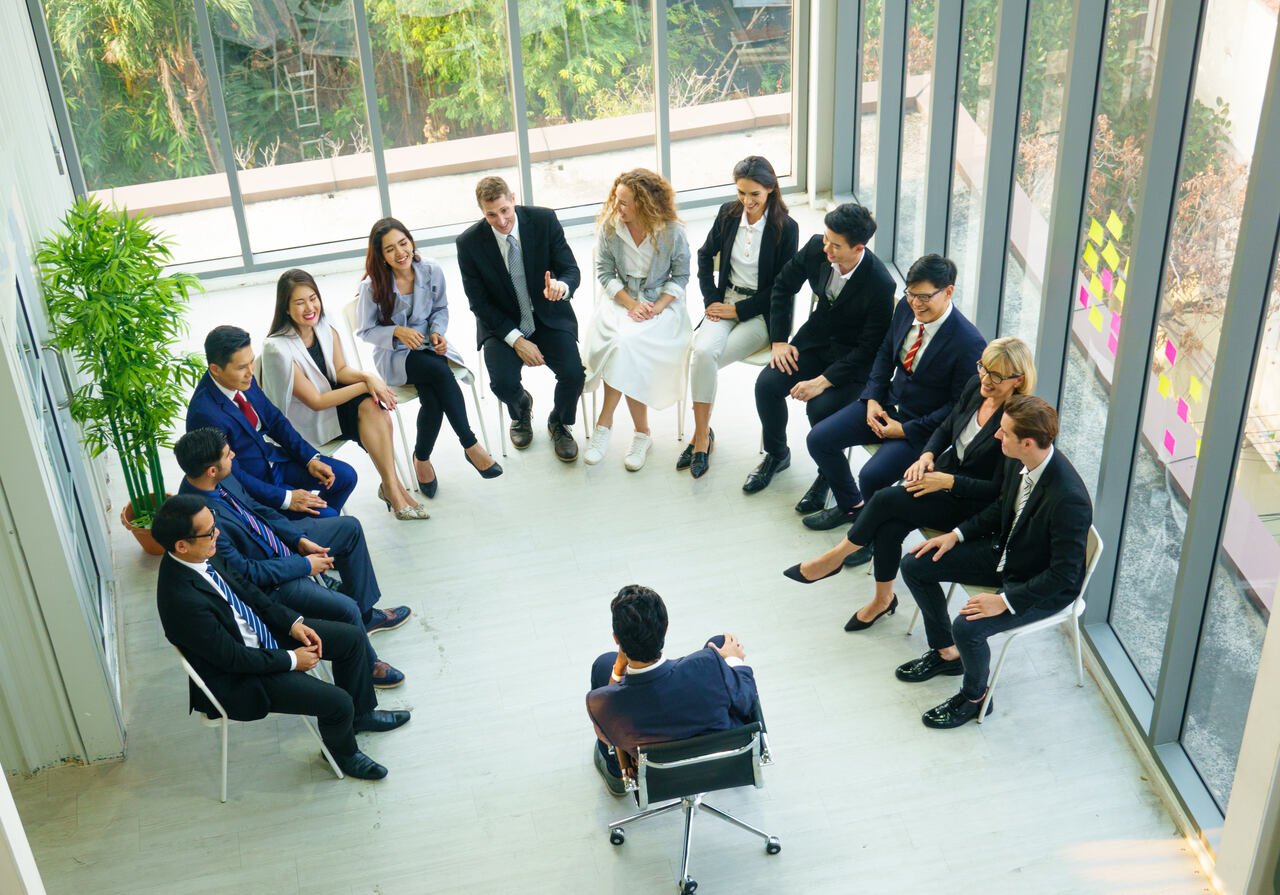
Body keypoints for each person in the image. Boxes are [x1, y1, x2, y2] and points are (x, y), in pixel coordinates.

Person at [783, 338, 1037, 630]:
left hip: (970, 502)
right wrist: (927, 455)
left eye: (996, 375)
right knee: (889, 528)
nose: (986, 379)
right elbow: (946, 428)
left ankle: (834, 558)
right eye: (983, 368)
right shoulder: (976, 388)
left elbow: (999, 493)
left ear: (1018, 380)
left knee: (884, 500)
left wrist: (948, 481)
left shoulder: (1017, 422)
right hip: (941, 477)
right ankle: (882, 600)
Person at [153, 495, 411, 780]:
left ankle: (361, 715)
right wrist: (292, 659)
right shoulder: (181, 600)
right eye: (210, 531)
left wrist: (292, 623)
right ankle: (342, 753)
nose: (218, 534)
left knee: (351, 638)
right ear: (181, 545)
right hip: (242, 676)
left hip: (259, 637)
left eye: (215, 525)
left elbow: (250, 593)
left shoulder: (203, 553)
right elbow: (233, 658)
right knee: (337, 702)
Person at [895, 395, 1092, 729]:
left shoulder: (1069, 498)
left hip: (1039, 584)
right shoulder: (1021, 462)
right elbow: (1001, 509)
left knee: (968, 627)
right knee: (915, 565)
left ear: (1027, 442)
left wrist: (1003, 601)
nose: (997, 436)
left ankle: (975, 698)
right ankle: (946, 654)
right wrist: (955, 535)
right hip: (1007, 552)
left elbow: (1064, 575)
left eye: (1003, 432)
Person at [175, 428, 410, 687]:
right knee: (345, 607)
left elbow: (259, 510)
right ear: (211, 470)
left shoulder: (222, 479)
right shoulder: (200, 520)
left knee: (349, 528)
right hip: (272, 582)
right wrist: (304, 565)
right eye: (226, 454)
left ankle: (366, 618)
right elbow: (247, 573)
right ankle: (367, 666)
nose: (233, 454)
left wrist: (297, 540)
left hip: (279, 542)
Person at [799, 254, 987, 531]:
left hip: (919, 428)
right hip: (884, 404)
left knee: (871, 476)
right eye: (910, 294)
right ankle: (852, 507)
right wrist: (873, 397)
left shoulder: (968, 342)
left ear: (948, 292)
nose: (915, 303)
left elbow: (958, 407)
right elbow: (886, 352)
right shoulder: (905, 309)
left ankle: (870, 534)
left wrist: (906, 430)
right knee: (819, 440)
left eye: (924, 297)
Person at [742, 203, 895, 497]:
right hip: (815, 342)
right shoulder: (816, 247)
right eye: (826, 239)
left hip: (851, 362)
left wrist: (822, 382)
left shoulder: (880, 285)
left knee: (821, 408)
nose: (827, 249)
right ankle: (776, 454)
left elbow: (868, 349)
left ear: (859, 248)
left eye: (835, 245)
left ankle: (827, 475)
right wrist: (779, 340)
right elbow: (783, 286)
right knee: (768, 385)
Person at [260, 269, 427, 521]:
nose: (310, 306)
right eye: (300, 301)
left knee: (375, 407)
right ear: (285, 307)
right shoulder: (277, 349)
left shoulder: (325, 326)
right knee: (369, 398)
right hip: (306, 423)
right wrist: (365, 385)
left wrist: (369, 377)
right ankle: (394, 488)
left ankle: (391, 486)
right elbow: (315, 402)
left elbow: (339, 371)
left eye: (313, 297)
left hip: (332, 406)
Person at [356, 217, 502, 496]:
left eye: (403, 243)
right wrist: (397, 332)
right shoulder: (372, 287)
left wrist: (437, 333)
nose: (400, 253)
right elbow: (365, 331)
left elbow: (440, 309)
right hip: (395, 356)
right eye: (390, 249)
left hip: (429, 347)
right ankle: (471, 445)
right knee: (439, 372)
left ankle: (421, 459)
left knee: (434, 401)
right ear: (381, 256)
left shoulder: (431, 270)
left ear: (411, 241)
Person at [683, 156, 799, 478]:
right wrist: (712, 300)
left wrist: (739, 310)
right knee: (703, 353)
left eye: (754, 195)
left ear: (771, 191)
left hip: (761, 315)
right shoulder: (728, 213)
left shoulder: (786, 229)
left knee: (706, 359)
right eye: (741, 193)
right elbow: (705, 256)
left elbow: (781, 288)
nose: (747, 202)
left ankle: (699, 438)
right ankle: (703, 438)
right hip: (725, 302)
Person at [457, 176, 584, 461]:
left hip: (548, 314)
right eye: (491, 214)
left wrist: (560, 288)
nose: (501, 220)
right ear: (482, 211)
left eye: (505, 210)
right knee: (501, 382)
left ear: (512, 198)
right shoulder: (468, 243)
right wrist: (516, 341)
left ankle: (559, 422)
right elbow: (479, 302)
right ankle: (521, 407)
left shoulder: (544, 220)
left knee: (574, 374)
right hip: (502, 324)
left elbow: (570, 269)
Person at [585, 584, 758, 795]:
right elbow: (747, 700)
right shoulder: (708, 664)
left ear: (617, 639)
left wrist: (618, 669)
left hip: (657, 777)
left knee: (604, 664)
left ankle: (616, 777)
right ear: (665, 628)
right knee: (720, 644)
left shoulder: (600, 703)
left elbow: (608, 734)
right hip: (719, 760)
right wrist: (733, 660)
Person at [583, 169, 692, 471]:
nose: (618, 208)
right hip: (621, 301)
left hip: (661, 306)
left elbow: (681, 275)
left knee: (628, 344)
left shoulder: (671, 231)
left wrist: (656, 307)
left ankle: (608, 426)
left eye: (625, 203)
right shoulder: (610, 227)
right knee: (621, 342)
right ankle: (639, 431)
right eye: (617, 200)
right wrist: (631, 304)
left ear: (645, 204)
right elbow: (604, 272)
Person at [187, 325, 356, 519]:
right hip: (255, 483)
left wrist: (310, 459)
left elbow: (275, 421)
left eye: (251, 362)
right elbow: (231, 476)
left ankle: (311, 532)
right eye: (242, 367)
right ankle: (308, 531)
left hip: (275, 460)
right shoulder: (205, 414)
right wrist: (287, 498)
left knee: (345, 477)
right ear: (216, 370)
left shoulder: (241, 379)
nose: (251, 371)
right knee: (328, 517)